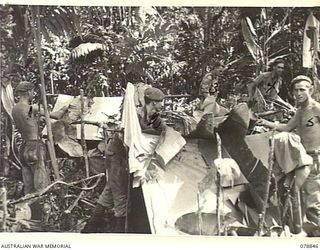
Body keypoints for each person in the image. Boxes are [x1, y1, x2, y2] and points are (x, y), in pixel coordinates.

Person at [257, 75, 320, 228]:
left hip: (316, 157)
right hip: (305, 159)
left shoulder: (316, 108)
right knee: (302, 196)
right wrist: (265, 122)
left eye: (302, 90)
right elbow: (286, 128)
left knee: (313, 201)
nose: (299, 93)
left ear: (310, 90)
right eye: (296, 90)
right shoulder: (300, 111)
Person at [12, 81, 69, 195]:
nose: (33, 94)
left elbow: (28, 122)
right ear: (28, 92)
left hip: (23, 147)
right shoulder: (31, 108)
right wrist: (66, 106)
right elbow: (56, 115)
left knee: (28, 184)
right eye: (33, 91)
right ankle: (42, 208)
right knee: (40, 184)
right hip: (35, 146)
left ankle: (27, 208)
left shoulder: (15, 109)